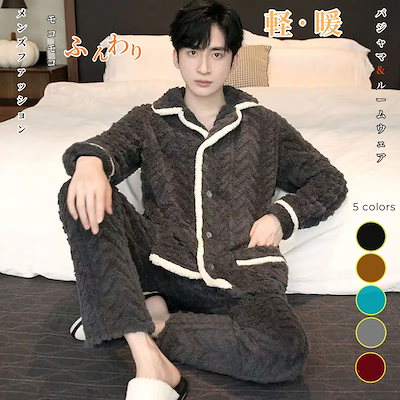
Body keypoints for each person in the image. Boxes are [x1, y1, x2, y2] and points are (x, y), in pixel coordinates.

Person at [57, 0, 348, 399]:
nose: (204, 67)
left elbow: (329, 181)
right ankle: (148, 360)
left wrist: (282, 216)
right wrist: (90, 161)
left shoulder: (264, 125)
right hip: (161, 262)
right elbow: (109, 147)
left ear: (233, 59)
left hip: (241, 276)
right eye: (193, 53)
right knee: (76, 190)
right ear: (176, 57)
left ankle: (142, 321)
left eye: (216, 54)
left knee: (284, 353)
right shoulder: (148, 120)